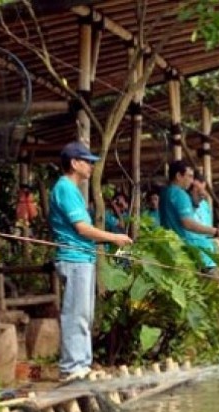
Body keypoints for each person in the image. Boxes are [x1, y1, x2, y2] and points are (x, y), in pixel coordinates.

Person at [49, 141, 132, 382]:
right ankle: (71, 366)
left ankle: (82, 364)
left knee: (84, 313)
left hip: (83, 258)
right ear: (74, 164)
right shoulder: (65, 187)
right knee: (75, 312)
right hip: (73, 257)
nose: (91, 166)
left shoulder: (72, 190)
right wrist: (113, 237)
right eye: (87, 161)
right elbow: (82, 228)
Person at [160, 162, 219, 271]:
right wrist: (216, 232)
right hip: (186, 252)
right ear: (179, 176)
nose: (191, 180)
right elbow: (188, 223)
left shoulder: (165, 192)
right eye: (189, 176)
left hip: (171, 249)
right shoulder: (180, 194)